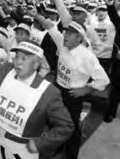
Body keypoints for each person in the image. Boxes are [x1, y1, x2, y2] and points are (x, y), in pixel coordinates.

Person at [0, 40, 74, 159]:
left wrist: (40, 143)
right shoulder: (6, 70)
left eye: (24, 59)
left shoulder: (49, 93)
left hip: (18, 149)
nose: (17, 62)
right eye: (16, 57)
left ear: (36, 64)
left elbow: (66, 126)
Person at [30, 8, 110, 159]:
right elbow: (51, 27)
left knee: (71, 127)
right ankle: (57, 147)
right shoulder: (62, 43)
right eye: (66, 32)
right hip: (58, 88)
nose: (65, 36)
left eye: (70, 34)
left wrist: (86, 90)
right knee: (55, 121)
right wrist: (37, 16)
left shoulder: (87, 57)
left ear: (79, 38)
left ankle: (71, 155)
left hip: (73, 95)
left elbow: (104, 80)